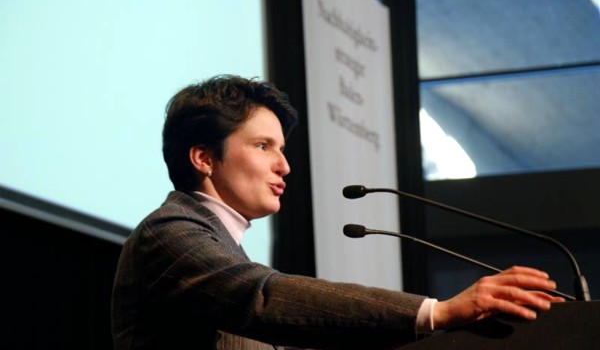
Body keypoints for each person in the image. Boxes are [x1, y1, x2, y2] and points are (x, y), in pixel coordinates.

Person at [111, 74, 564, 350]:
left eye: (282, 149)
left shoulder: (223, 246)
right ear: (204, 158)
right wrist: (436, 313)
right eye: (263, 146)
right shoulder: (169, 232)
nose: (284, 166)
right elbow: (260, 298)